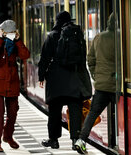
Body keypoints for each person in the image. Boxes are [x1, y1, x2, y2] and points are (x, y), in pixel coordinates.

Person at [38, 11, 84, 151]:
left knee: (54, 111)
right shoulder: (78, 34)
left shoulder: (52, 36)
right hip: (74, 79)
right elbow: (83, 56)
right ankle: (75, 140)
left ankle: (54, 140)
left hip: (56, 79)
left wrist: (41, 76)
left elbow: (44, 58)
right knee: (75, 110)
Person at [74, 13, 116, 154]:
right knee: (125, 115)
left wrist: (96, 75)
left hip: (102, 85)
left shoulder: (99, 37)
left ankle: (81, 140)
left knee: (92, 114)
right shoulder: (127, 36)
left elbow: (90, 59)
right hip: (118, 86)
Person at [0, 20, 30, 152]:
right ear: (2, 31)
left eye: (13, 32)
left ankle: (8, 136)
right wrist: (0, 38)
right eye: (9, 33)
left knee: (13, 112)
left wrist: (17, 41)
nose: (10, 35)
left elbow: (25, 55)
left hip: (12, 81)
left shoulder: (15, 41)